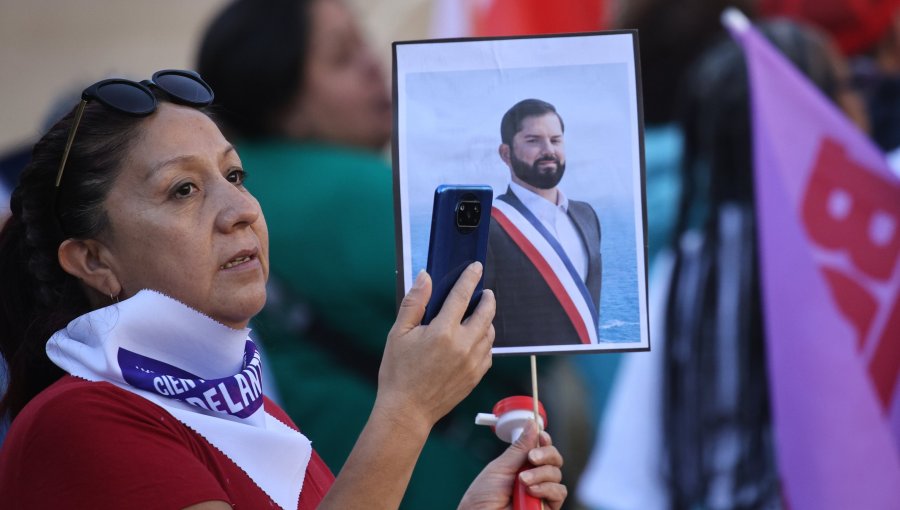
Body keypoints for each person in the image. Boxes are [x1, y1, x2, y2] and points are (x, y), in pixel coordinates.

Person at [0, 69, 567, 509]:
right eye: (183, 190)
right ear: (94, 259)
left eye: (235, 176)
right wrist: (406, 411)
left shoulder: (247, 408)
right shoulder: (81, 421)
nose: (240, 210)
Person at [197, 2, 550, 506]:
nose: (371, 63)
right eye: (342, 57)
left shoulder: (237, 192)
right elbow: (539, 308)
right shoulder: (352, 192)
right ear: (282, 102)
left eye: (362, 42)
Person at [577, 19, 869, 509]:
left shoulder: (690, 275)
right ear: (818, 115)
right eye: (847, 89)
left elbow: (624, 488)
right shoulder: (871, 257)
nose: (862, 106)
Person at [486, 98, 602, 348]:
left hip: (584, 375)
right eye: (533, 140)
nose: (548, 150)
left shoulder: (587, 216)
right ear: (505, 154)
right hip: (523, 378)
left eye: (555, 140)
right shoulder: (488, 226)